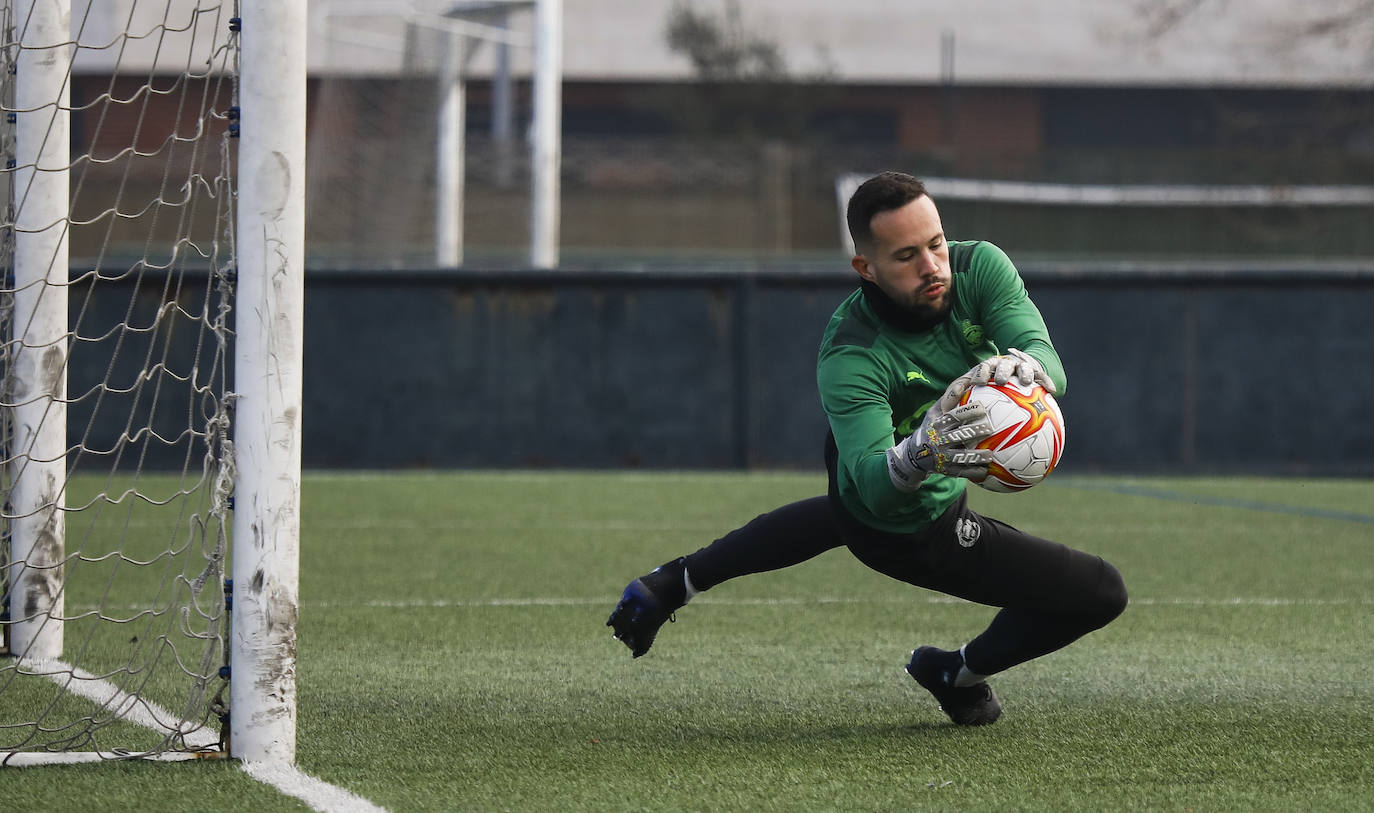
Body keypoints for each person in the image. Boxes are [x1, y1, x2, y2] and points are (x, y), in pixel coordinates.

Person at [606, 171, 1127, 726]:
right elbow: (877, 494)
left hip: (864, 491)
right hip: (903, 526)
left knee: (834, 515)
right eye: (907, 256)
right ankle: (954, 672)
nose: (932, 266)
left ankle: (673, 581)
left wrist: (1030, 369)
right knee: (1099, 592)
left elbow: (1051, 366)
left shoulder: (979, 267)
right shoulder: (850, 353)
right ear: (866, 269)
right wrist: (917, 453)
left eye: (935, 243)